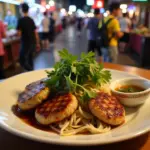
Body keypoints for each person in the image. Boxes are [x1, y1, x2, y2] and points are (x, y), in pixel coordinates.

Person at [16, 3, 40, 71]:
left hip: (25, 43)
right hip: (33, 42)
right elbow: (35, 33)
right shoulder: (31, 20)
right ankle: (32, 73)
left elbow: (19, 33)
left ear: (21, 10)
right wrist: (37, 43)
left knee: (22, 60)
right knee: (30, 59)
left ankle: (30, 71)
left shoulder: (20, 20)